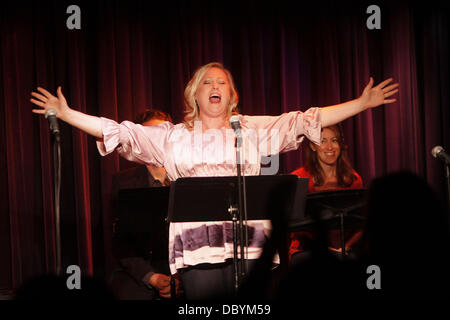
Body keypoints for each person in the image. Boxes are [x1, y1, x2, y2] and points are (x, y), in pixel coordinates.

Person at [30, 62, 399, 299]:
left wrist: (361, 104)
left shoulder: (250, 129)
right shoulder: (172, 136)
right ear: (195, 93)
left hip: (250, 247)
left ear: (231, 95)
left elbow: (306, 119)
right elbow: (116, 131)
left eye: (222, 81)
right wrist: (67, 113)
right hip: (197, 248)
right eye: (207, 81)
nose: (214, 85)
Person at [109, 108, 183, 300]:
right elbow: (120, 243)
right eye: (149, 135)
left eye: (161, 134)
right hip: (141, 269)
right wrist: (152, 277)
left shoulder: (188, 175)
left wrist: (181, 276)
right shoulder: (123, 182)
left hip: (184, 269)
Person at [289, 124, 364, 261]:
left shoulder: (354, 179)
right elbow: (295, 227)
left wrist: (346, 247)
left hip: (345, 250)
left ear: (341, 145)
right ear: (312, 146)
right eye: (323, 141)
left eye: (334, 140)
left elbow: (361, 224)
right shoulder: (299, 178)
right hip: (307, 250)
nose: (330, 147)